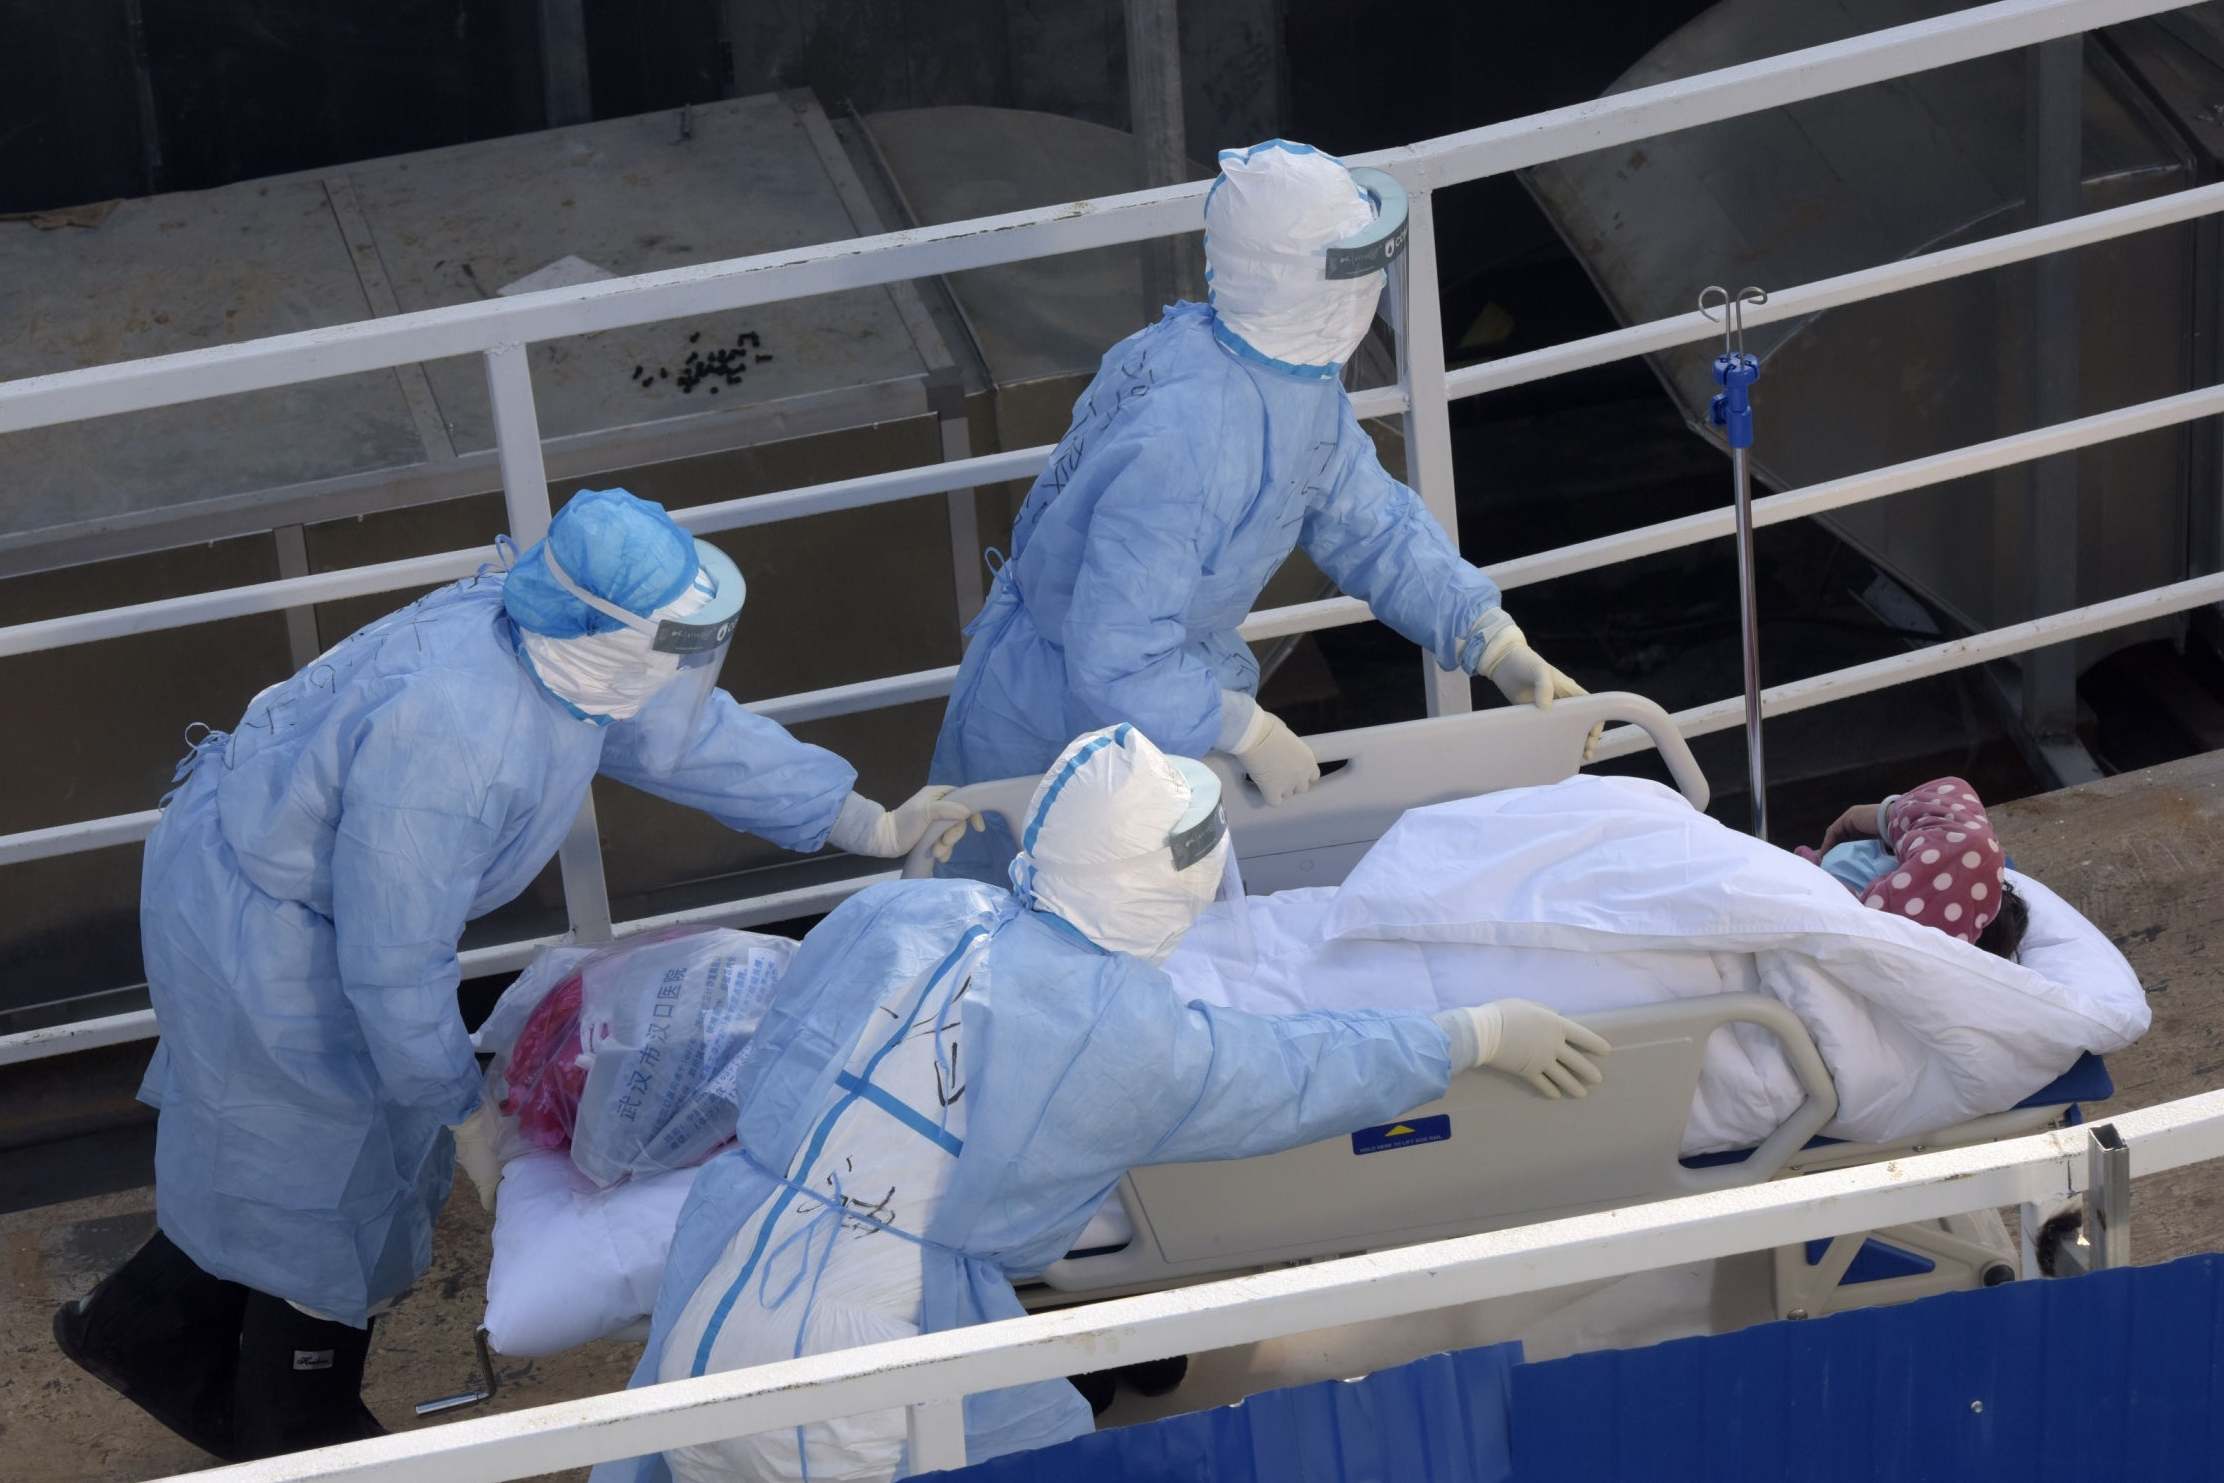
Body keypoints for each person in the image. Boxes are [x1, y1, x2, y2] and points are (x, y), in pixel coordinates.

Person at [54, 488, 979, 1462]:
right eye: (672, 641)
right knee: (330, 1167)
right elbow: (392, 960)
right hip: (271, 931)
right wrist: (462, 1111)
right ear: (605, 630)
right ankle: (296, 1429)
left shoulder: (566, 650)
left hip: (305, 899)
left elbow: (680, 729)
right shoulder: (455, 737)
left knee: (299, 1160)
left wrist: (861, 818)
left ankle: (136, 1328)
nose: (682, 663)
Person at [594, 724, 1607, 1483]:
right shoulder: (1124, 1035)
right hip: (876, 1331)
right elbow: (1290, 1071)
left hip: (716, 1262)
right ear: (1170, 877)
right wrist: (1470, 1035)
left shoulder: (898, 910)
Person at [931, 140, 1582, 879]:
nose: (1372, 286)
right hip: (1050, 734)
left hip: (1149, 712)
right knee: (1016, 935)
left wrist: (1488, 638)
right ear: (1313, 286)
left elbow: (1370, 521)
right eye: (1359, 265)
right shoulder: (1186, 439)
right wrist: (1244, 728)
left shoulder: (1277, 379)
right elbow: (1113, 654)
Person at [1799, 776, 2028, 958]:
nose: (1866, 848)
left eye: (1895, 879)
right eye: (1891, 850)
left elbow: (1971, 845)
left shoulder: (1872, 935)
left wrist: (1888, 814)